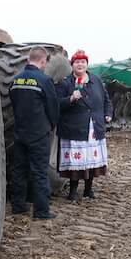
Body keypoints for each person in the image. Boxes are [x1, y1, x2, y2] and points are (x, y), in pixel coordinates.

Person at [55, 50, 113, 202]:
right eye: (77, 62)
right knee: (77, 161)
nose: (80, 65)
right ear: (72, 65)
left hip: (94, 126)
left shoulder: (96, 80)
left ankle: (88, 189)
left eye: (83, 62)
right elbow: (56, 104)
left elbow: (106, 99)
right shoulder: (65, 82)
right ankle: (73, 191)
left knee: (91, 160)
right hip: (74, 128)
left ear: (87, 64)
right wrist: (70, 99)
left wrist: (108, 113)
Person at [10, 46, 60, 220]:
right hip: (39, 134)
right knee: (40, 172)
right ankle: (41, 211)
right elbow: (53, 108)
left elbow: (14, 105)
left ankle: (18, 206)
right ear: (43, 61)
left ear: (27, 60)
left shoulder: (15, 80)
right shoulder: (44, 80)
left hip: (20, 132)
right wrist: (51, 125)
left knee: (19, 171)